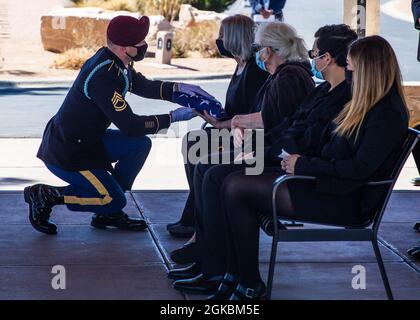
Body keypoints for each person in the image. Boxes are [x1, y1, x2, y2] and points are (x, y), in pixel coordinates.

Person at [215, 35, 409, 300]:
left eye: (351, 67)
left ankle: (248, 282)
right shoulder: (363, 104)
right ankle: (235, 274)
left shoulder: (386, 113)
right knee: (229, 178)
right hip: (323, 182)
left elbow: (359, 169)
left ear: (368, 70)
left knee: (236, 187)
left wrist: (303, 164)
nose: (347, 73)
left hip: (344, 199)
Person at [169, 24, 356, 296]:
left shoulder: (294, 76)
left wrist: (255, 144)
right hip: (277, 152)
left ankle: (216, 265)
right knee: (204, 159)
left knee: (215, 172)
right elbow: (290, 126)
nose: (311, 58)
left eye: (315, 53)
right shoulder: (321, 89)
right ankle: (210, 257)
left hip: (295, 167)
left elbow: (283, 127)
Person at [24, 15, 213, 235]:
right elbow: (131, 125)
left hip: (88, 141)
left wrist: (179, 89)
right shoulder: (103, 76)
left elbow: (143, 86)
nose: (144, 45)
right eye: (140, 43)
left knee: (139, 145)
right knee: (113, 199)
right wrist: (173, 117)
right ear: (125, 48)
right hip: (70, 153)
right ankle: (47, 195)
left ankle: (108, 213)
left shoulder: (115, 62)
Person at [166, 15, 270, 240]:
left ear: (234, 37)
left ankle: (198, 220)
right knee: (194, 142)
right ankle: (195, 214)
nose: (218, 40)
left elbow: (252, 116)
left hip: (249, 139)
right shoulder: (241, 65)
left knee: (199, 146)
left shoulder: (254, 71)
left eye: (222, 35)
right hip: (231, 130)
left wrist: (221, 124)